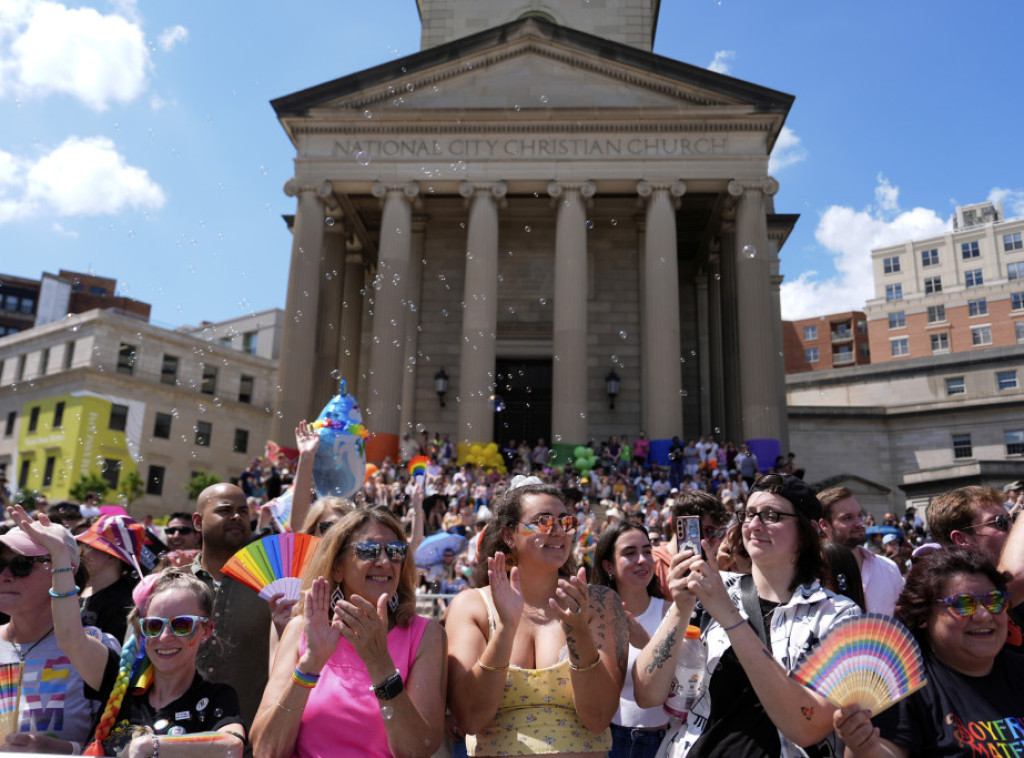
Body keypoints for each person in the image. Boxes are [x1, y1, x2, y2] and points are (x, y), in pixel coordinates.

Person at [634, 473, 861, 757]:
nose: (754, 525)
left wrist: (730, 617)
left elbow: (808, 726)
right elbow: (647, 694)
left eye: (771, 515)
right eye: (749, 514)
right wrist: (681, 606)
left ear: (807, 531)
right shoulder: (709, 591)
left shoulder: (837, 615)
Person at [445, 477, 627, 756]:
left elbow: (598, 718)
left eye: (565, 522)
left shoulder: (599, 603)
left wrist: (578, 632)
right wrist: (505, 629)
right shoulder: (472, 606)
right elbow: (470, 718)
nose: (558, 531)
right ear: (509, 535)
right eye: (543, 522)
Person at [250, 508, 446, 758]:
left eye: (395, 551)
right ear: (337, 568)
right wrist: (311, 664)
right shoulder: (301, 629)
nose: (385, 562)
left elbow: (418, 749)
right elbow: (266, 750)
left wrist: (380, 664)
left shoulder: (425, 635)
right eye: (368, 550)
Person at [833, 548, 1024, 757]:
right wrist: (863, 747)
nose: (983, 615)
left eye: (994, 600)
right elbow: (885, 751)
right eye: (962, 604)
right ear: (924, 615)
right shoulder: (901, 685)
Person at [85, 569, 246, 756]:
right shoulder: (121, 693)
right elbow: (69, 637)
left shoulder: (215, 698)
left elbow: (232, 746)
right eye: (153, 625)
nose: (164, 637)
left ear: (206, 630)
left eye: (181, 625)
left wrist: (152, 746)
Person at [0, 512, 121, 753]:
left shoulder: (96, 646)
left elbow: (119, 743)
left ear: (64, 570)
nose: (4, 576)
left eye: (21, 565)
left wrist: (62, 750)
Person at [189, 483, 286, 726]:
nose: (237, 517)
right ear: (198, 522)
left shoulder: (274, 585)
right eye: (225, 510)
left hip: (251, 734)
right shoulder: (172, 583)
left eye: (243, 511)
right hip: (176, 736)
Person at [591, 522, 668, 758]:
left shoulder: (672, 613)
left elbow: (687, 683)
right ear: (609, 566)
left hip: (667, 742)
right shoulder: (593, 618)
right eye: (630, 553)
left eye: (647, 551)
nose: (642, 560)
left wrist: (648, 645)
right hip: (609, 742)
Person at [817, 487, 903, 615]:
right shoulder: (813, 575)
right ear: (824, 525)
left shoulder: (888, 567)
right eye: (847, 518)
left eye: (860, 515)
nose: (859, 523)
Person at [76, 514, 145, 643]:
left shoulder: (124, 605)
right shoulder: (79, 585)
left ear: (111, 556)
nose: (80, 551)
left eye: (89, 546)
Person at [651, 490, 730, 598]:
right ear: (685, 525)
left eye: (719, 532)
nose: (716, 540)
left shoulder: (714, 564)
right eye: (709, 531)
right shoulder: (653, 564)